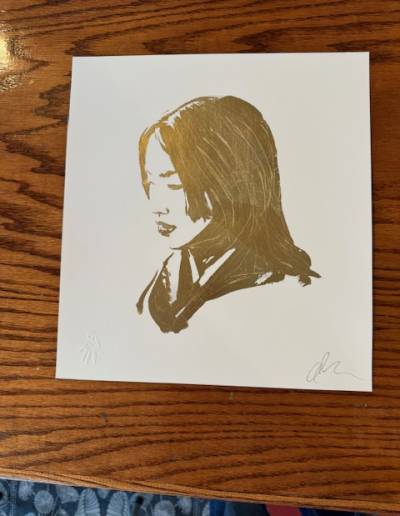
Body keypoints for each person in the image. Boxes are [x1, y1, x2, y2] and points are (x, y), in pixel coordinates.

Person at [136, 95, 320, 333]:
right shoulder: (163, 282)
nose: (157, 205)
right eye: (150, 184)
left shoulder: (281, 291)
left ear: (232, 182)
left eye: (173, 185)